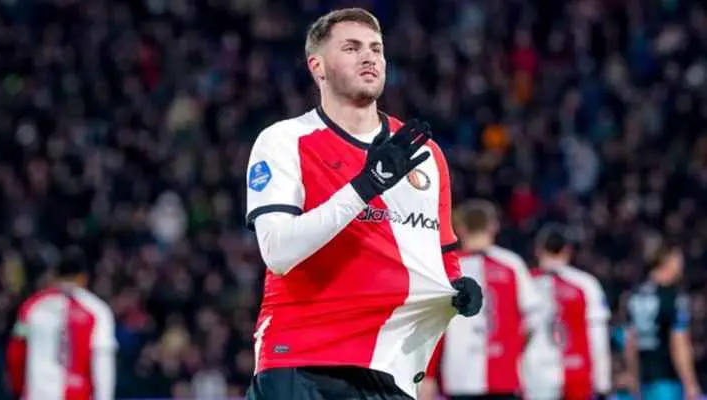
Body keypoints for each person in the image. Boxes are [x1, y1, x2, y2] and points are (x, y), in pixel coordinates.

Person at [244, 7, 482, 400]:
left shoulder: (425, 154)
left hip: (390, 368)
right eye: (352, 48)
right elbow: (278, 252)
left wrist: (457, 287)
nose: (369, 57)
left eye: (376, 48)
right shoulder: (284, 140)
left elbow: (442, 251)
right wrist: (366, 185)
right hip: (302, 358)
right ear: (317, 66)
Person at [420, 200, 544, 400]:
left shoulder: (447, 268)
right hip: (505, 377)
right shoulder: (512, 265)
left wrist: (429, 375)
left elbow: (433, 327)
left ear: (460, 228)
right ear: (493, 226)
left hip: (460, 377)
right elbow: (532, 323)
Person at [6, 246, 117, 400]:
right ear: (84, 277)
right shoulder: (97, 310)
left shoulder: (31, 307)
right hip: (77, 394)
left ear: (54, 276)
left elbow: (16, 354)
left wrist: (18, 390)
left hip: (37, 394)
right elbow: (102, 361)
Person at [525, 224, 611, 400]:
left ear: (537, 250)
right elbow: (598, 337)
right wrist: (603, 383)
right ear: (568, 250)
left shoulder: (526, 283)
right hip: (577, 373)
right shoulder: (586, 285)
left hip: (536, 376)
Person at [624, 240, 701, 400]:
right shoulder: (673, 297)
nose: (681, 266)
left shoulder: (634, 295)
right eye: (678, 260)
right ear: (667, 261)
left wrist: (633, 378)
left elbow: (630, 343)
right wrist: (690, 383)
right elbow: (679, 343)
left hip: (644, 381)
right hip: (668, 382)